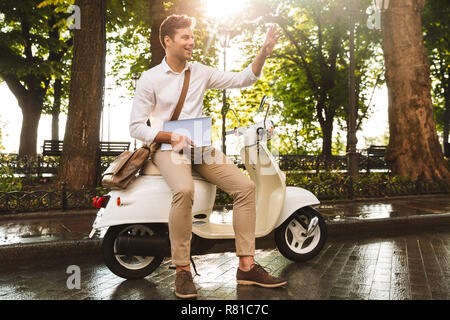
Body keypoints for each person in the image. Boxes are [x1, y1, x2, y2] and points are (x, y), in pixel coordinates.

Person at [129, 14, 286, 299]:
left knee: (246, 188)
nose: (191, 42)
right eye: (185, 37)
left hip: (201, 149)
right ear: (168, 41)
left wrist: (263, 53)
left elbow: (244, 79)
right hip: (170, 149)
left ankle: (246, 266)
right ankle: (182, 270)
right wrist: (169, 136)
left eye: (192, 37)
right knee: (185, 190)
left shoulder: (199, 71)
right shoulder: (150, 79)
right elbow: (136, 126)